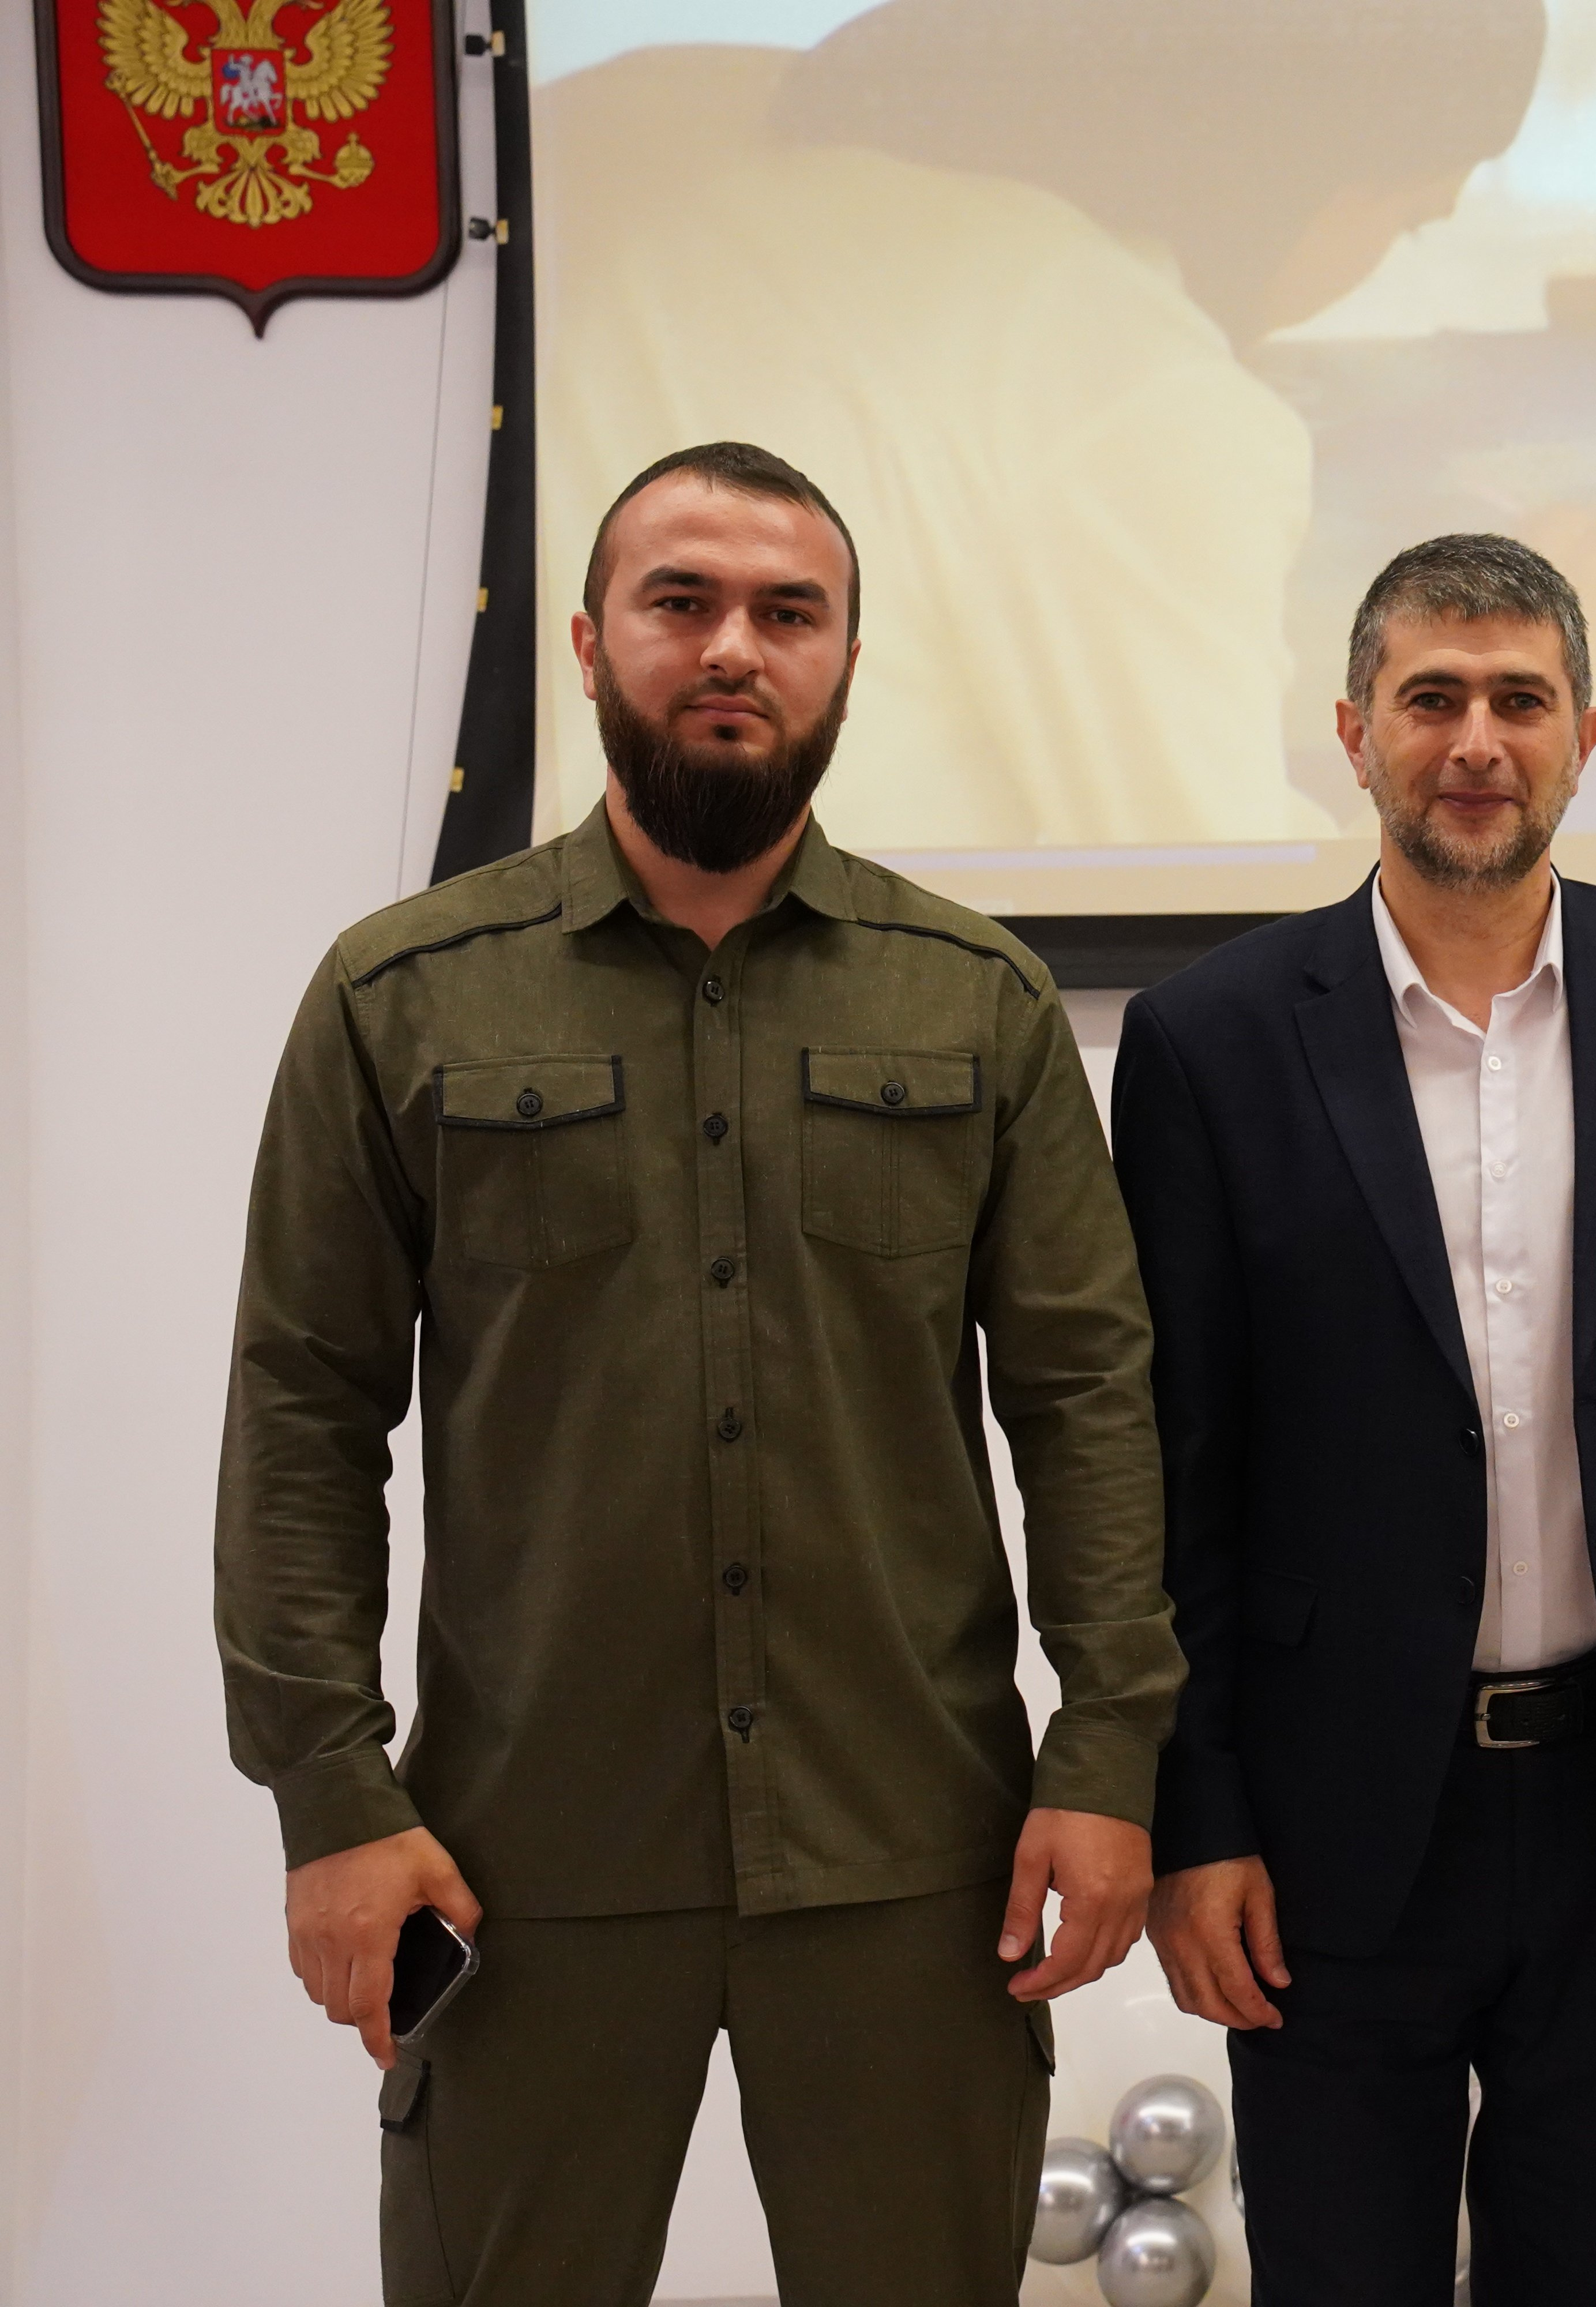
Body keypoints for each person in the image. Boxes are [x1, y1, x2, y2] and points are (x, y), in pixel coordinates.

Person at [215, 442, 1181, 2306]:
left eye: (787, 613)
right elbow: (301, 1413)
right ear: (590, 645)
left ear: (844, 667)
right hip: (519, 1863)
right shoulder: (401, 997)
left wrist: (1111, 1750)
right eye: (683, 601)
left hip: (916, 1860)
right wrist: (329, 1795)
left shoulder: (976, 1001)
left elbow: (1088, 1403)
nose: (735, 647)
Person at [1112, 535, 1596, 2304]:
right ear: (1353, 730)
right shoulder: (1210, 1042)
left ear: (1585, 735)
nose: (1475, 742)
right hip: (1326, 1821)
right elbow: (1170, 1472)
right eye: (1431, 699)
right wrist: (1194, 1813)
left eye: (1520, 701)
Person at [535, 1, 1548, 851]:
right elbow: (1226, 908)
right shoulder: (1128, 382)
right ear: (1309, 172)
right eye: (1408, 217)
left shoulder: (639, 108)